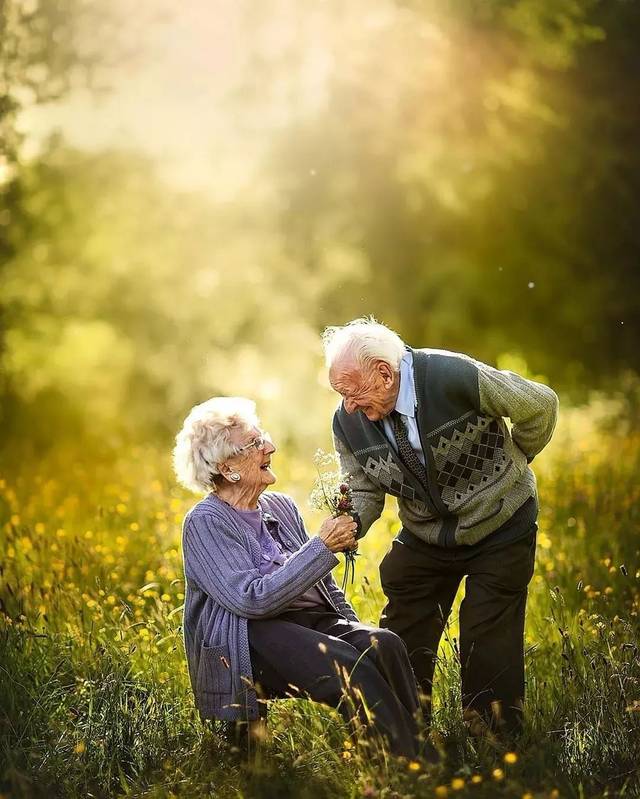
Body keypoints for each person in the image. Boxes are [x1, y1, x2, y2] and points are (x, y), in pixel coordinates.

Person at [323, 317, 559, 739]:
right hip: (427, 533)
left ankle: (493, 735)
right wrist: (351, 520)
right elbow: (362, 487)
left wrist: (514, 461)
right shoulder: (348, 421)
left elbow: (539, 404)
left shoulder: (452, 375)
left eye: (351, 391)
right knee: (404, 612)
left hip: (501, 522)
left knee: (488, 629)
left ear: (383, 372)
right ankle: (403, 728)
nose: (349, 405)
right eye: (340, 394)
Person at [172, 396, 420, 757]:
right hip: (252, 637)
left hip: (307, 622)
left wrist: (352, 627)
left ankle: (400, 749)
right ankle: (412, 764)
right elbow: (251, 599)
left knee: (383, 644)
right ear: (228, 468)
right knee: (345, 664)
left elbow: (322, 584)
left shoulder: (280, 506)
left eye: (263, 437)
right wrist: (321, 547)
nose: (269, 446)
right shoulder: (205, 522)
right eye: (255, 444)